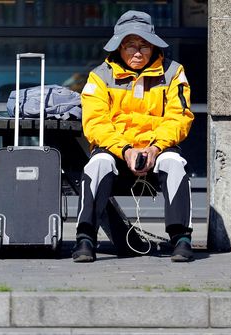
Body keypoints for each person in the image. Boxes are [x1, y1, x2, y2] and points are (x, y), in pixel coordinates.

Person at [73, 10, 195, 263]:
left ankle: (181, 239)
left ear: (153, 46)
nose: (137, 52)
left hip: (157, 149)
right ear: (119, 46)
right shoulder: (99, 76)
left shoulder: (173, 72)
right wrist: (125, 150)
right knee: (97, 164)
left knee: (175, 163)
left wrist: (154, 148)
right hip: (117, 151)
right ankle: (85, 239)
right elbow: (95, 123)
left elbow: (180, 117)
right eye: (130, 46)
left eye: (144, 45)